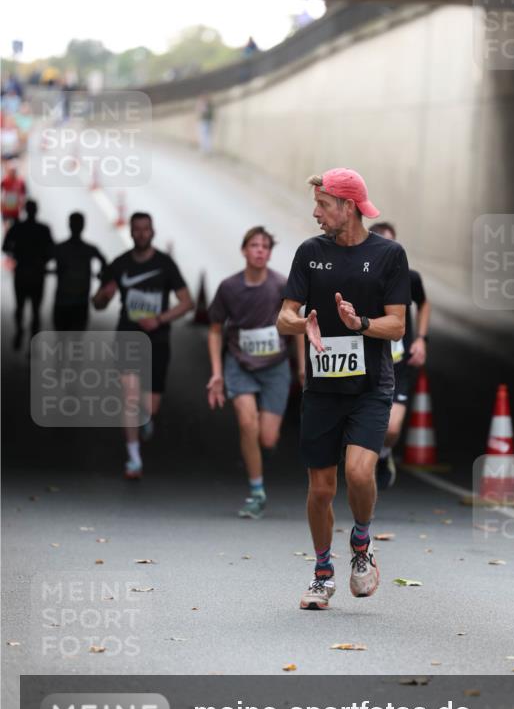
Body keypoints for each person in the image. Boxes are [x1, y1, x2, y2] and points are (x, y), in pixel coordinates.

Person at [277, 167, 410, 610]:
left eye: (323, 205)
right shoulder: (309, 254)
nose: (316, 214)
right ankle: (321, 574)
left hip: (370, 385)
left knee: (357, 472)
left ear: (348, 207)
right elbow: (284, 315)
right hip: (322, 387)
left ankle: (361, 542)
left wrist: (361, 324)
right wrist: (303, 323)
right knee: (319, 489)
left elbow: (397, 325)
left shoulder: (389, 255)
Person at [206, 226, 301, 518]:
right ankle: (257, 492)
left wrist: (303, 368)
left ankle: (258, 454)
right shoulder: (229, 287)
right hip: (240, 365)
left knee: (267, 438)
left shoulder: (281, 285)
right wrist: (217, 373)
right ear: (244, 250)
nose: (260, 250)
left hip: (275, 367)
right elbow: (215, 330)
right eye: (254, 245)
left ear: (270, 253)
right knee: (248, 424)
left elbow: (297, 325)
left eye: (265, 246)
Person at [92, 212, 193, 479]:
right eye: (136, 229)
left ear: (152, 232)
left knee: (150, 406)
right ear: (132, 231)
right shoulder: (120, 264)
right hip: (128, 336)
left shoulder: (165, 264)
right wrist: (104, 295)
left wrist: (159, 318)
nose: (140, 234)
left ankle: (147, 420)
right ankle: (134, 458)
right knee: (130, 396)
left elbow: (187, 302)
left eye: (145, 229)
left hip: (158, 339)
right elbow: (98, 302)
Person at [370, 221, 431, 489]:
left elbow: (424, 303)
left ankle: (383, 455)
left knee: (392, 428)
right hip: (368, 362)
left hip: (398, 364)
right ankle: (361, 462)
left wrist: (421, 339)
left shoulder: (409, 278)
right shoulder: (362, 276)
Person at [2, 199, 54, 349]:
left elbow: (5, 247)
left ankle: (20, 329)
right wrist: (43, 261)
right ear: (36, 211)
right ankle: (33, 338)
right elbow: (52, 250)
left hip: (22, 271)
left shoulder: (18, 228)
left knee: (20, 305)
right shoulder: (43, 229)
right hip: (37, 272)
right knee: (35, 308)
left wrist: (17, 255)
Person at [52, 212, 107, 332]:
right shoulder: (89, 249)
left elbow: (42, 261)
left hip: (65, 300)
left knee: (63, 337)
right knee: (76, 337)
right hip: (79, 300)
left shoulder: (60, 248)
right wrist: (100, 275)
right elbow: (104, 263)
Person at [1, 161, 27, 231]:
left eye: (14, 171)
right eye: (11, 171)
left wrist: (22, 205)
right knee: (7, 229)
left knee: (16, 230)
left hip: (16, 210)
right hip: (6, 210)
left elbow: (24, 194)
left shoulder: (20, 181)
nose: (13, 173)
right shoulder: (4, 181)